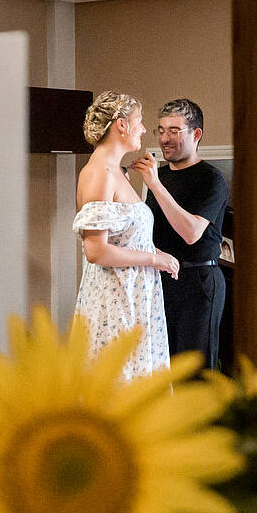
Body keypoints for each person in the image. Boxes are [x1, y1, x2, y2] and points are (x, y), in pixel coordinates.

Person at [71, 92, 179, 379]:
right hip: (114, 298)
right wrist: (154, 259)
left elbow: (129, 238)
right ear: (121, 125)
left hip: (133, 294)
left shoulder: (117, 173)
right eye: (139, 122)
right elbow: (96, 251)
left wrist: (157, 254)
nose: (144, 129)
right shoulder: (100, 174)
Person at [133, 98, 230, 370]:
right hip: (159, 281)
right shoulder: (159, 175)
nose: (164, 139)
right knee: (161, 368)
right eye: (160, 130)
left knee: (193, 372)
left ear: (196, 134)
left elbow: (191, 233)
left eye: (174, 131)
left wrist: (155, 185)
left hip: (198, 284)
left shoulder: (211, 179)